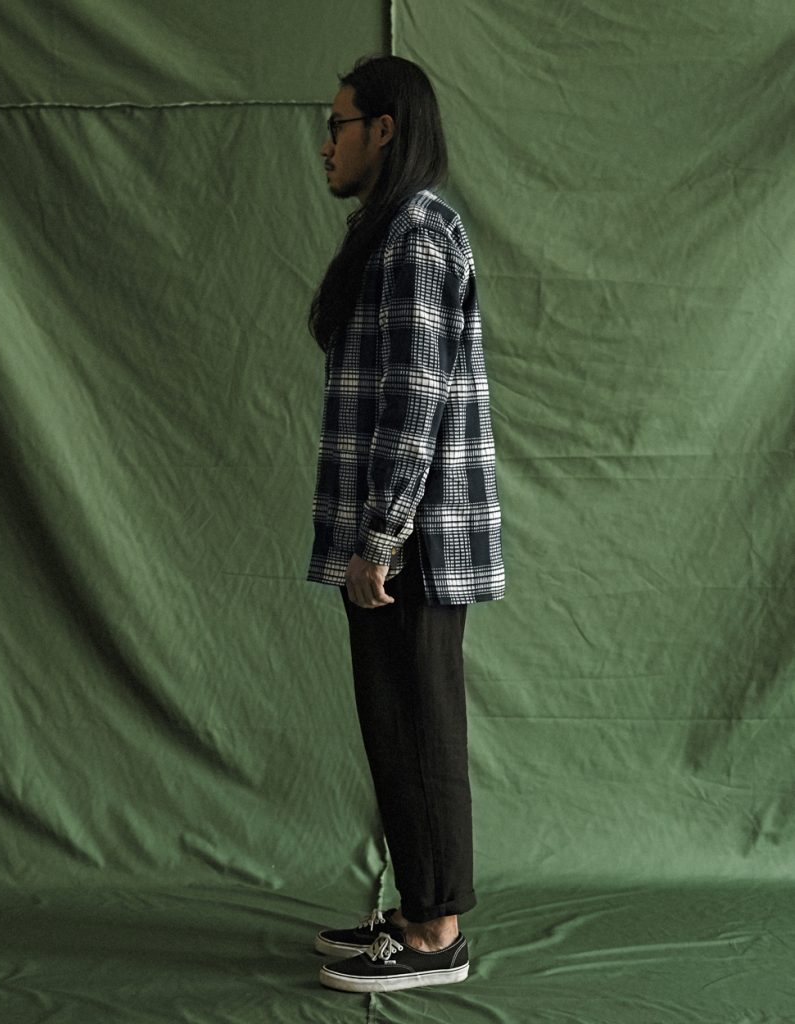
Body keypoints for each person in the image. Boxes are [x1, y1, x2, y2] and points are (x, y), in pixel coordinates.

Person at [306, 54, 504, 994]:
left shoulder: (417, 234)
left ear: (383, 130)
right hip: (397, 536)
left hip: (413, 539)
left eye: (337, 125)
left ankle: (435, 939)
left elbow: (415, 399)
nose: (325, 145)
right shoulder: (390, 233)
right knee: (395, 727)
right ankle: (419, 909)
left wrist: (379, 538)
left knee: (419, 730)